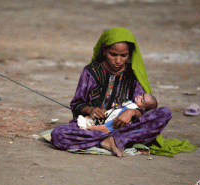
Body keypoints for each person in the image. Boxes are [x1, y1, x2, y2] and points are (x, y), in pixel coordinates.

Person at [51, 28, 173, 157]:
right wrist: (90, 110)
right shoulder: (91, 72)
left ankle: (114, 139)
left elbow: (144, 110)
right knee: (58, 134)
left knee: (165, 113)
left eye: (123, 55)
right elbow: (77, 104)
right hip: (94, 126)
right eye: (113, 54)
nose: (118, 61)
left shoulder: (132, 75)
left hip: (125, 128)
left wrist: (131, 112)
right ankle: (109, 140)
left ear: (130, 54)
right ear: (104, 50)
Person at [78, 93, 158, 133]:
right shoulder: (130, 102)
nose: (139, 97)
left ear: (143, 108)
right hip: (107, 117)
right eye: (141, 95)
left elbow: (119, 119)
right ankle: (88, 126)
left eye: (142, 100)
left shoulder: (133, 108)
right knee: (88, 118)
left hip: (113, 122)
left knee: (100, 128)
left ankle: (90, 128)